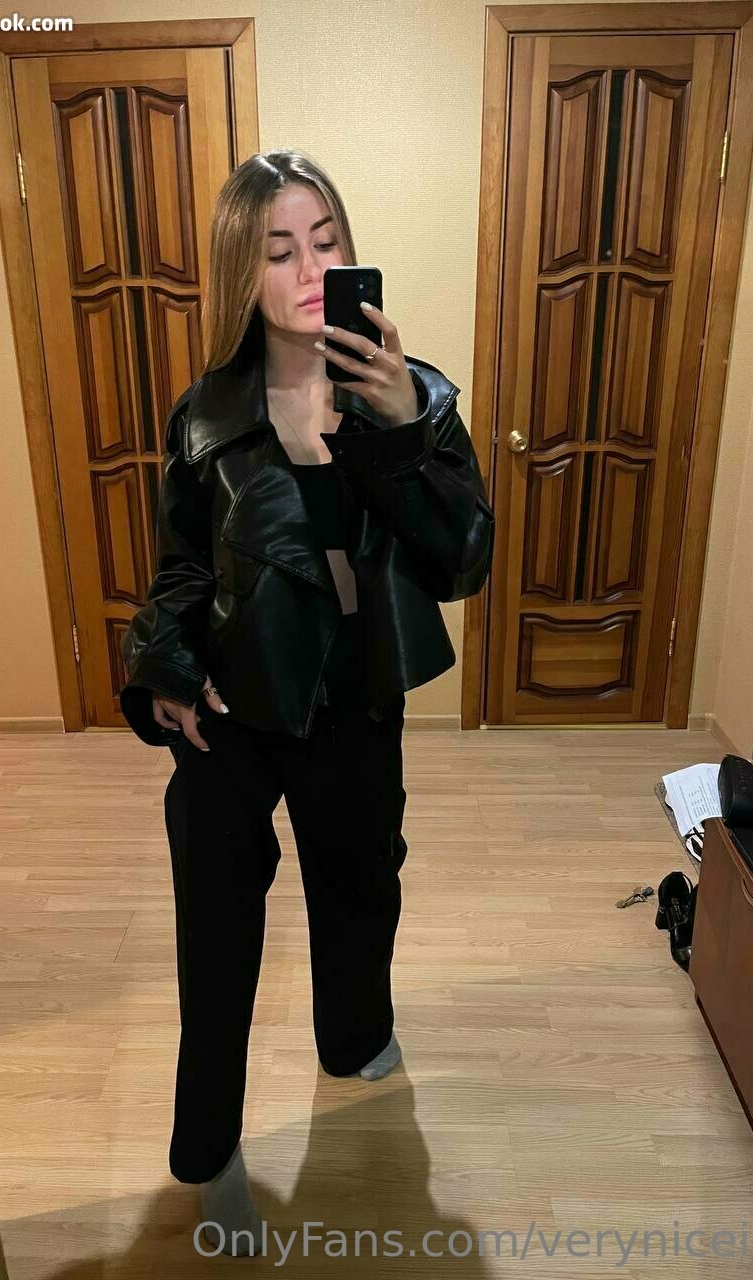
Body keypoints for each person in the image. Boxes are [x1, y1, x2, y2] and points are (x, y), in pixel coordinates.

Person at [118, 149, 495, 1256]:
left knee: (362, 886)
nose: (307, 267)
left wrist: (400, 425)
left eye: (325, 241)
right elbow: (181, 570)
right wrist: (163, 669)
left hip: (355, 696)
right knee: (216, 934)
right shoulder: (204, 415)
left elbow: (462, 561)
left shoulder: (412, 392)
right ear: (242, 269)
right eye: (278, 248)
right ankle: (209, 1151)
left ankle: (355, 1035)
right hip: (234, 710)